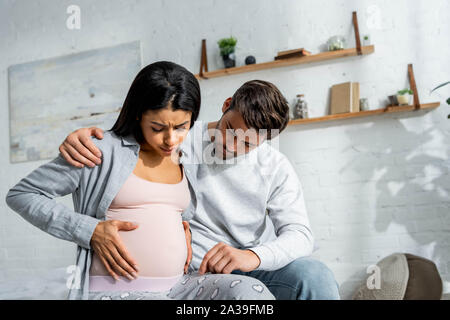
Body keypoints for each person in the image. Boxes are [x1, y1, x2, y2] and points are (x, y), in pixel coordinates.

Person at [5, 61, 275, 301]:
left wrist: (185, 231)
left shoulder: (185, 154)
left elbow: (176, 214)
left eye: (182, 127)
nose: (170, 139)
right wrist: (90, 230)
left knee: (251, 293)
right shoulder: (100, 150)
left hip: (179, 287)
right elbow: (22, 194)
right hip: (116, 291)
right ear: (137, 114)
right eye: (158, 128)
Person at [59, 79, 341, 300]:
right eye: (230, 130)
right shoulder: (178, 139)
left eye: (247, 144)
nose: (231, 146)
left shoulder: (275, 166)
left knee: (314, 275)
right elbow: (124, 143)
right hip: (196, 273)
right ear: (226, 104)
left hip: (252, 266)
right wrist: (83, 137)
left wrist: (252, 256)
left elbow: (300, 235)